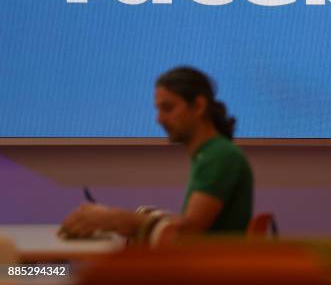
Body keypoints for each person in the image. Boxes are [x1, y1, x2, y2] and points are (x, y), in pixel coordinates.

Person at [59, 67, 253, 240]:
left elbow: (185, 234)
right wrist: (116, 219)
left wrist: (112, 219)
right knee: (54, 272)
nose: (159, 119)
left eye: (168, 108)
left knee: (50, 274)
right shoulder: (211, 154)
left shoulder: (219, 156)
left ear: (199, 106)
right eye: (158, 109)